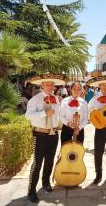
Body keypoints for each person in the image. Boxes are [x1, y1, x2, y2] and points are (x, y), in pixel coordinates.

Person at [25, 74, 67, 203]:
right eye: (47, 84)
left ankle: (46, 183)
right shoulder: (35, 99)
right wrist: (44, 113)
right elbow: (28, 116)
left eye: (52, 84)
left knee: (49, 161)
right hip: (40, 134)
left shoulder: (55, 98)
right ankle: (31, 191)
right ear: (42, 85)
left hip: (53, 134)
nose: (50, 86)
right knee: (37, 163)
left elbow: (57, 116)